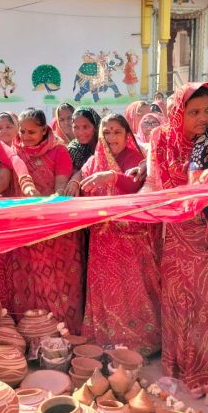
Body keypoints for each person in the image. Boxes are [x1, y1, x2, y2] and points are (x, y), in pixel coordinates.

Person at [141, 82, 208, 404]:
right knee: (179, 303)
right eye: (193, 112)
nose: (202, 118)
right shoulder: (162, 139)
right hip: (178, 237)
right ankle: (180, 367)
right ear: (177, 113)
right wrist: (127, 208)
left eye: (207, 110)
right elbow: (153, 184)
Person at [78, 114, 161, 355]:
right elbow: (83, 183)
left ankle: (140, 344)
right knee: (107, 289)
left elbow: (135, 186)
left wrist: (112, 177)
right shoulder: (95, 161)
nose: (111, 137)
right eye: (106, 132)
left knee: (134, 290)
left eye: (116, 131)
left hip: (131, 240)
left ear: (127, 135)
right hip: (103, 239)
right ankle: (108, 341)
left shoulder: (137, 159)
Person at [8, 108, 84, 332]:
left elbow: (61, 185)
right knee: (29, 277)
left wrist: (50, 203)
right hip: (25, 226)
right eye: (22, 131)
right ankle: (32, 331)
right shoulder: (15, 151)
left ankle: (62, 330)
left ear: (44, 130)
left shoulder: (58, 150)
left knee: (58, 280)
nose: (26, 136)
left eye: (32, 131)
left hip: (54, 226)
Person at [64, 107, 101, 190]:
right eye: (76, 127)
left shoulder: (106, 146)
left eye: (86, 127)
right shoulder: (73, 149)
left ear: (95, 126)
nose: (81, 132)